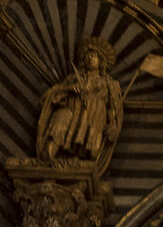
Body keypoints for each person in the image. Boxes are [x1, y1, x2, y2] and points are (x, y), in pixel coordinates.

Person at [35, 38, 124, 167]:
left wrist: (114, 124)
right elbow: (51, 95)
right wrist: (68, 89)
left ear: (101, 61)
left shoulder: (110, 84)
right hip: (71, 108)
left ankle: (81, 160)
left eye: (93, 55)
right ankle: (48, 155)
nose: (89, 58)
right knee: (60, 120)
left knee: (87, 132)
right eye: (87, 55)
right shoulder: (73, 78)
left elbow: (115, 109)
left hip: (94, 116)